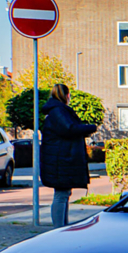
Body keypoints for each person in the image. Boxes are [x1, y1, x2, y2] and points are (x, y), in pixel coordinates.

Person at [39, 83, 98, 228]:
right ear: (67, 95)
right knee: (61, 195)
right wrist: (90, 128)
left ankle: (62, 226)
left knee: (64, 194)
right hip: (61, 160)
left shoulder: (55, 111)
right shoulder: (58, 111)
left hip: (59, 159)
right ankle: (59, 228)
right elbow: (69, 129)